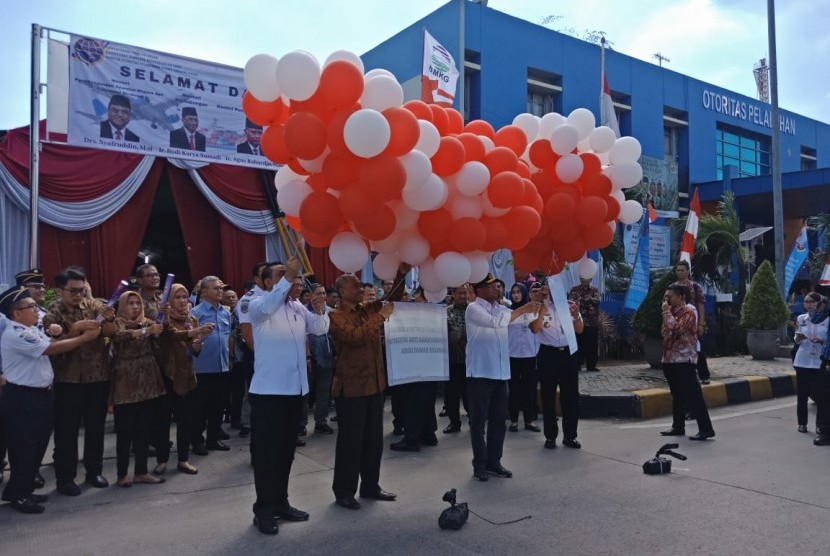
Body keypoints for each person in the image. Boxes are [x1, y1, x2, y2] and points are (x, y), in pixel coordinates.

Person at [247, 258, 329, 535]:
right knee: (267, 455)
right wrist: (286, 279)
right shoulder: (255, 303)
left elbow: (319, 330)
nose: (292, 278)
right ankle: (264, 509)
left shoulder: (295, 307)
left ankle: (281, 502)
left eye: (292, 275)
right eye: (282, 275)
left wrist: (320, 312)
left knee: (285, 453)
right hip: (269, 393)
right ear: (267, 281)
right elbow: (268, 306)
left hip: (295, 391)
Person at [0, 287, 100, 514]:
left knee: (36, 446)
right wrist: (84, 337)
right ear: (16, 313)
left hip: (40, 395)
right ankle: (20, 495)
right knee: (24, 447)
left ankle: (19, 488)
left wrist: (60, 333)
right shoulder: (17, 334)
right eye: (32, 307)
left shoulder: (30, 329)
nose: (37, 310)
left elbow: (53, 341)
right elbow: (51, 349)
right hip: (23, 397)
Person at [328, 264, 408, 510]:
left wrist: (401, 274)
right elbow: (355, 337)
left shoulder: (364, 309)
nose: (360, 286)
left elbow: (392, 297)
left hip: (374, 385)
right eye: (354, 284)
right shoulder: (335, 316)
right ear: (342, 292)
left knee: (374, 441)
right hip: (351, 389)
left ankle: (370, 485)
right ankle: (344, 490)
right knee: (351, 442)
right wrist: (380, 317)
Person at [42, 267, 116, 496]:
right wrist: (75, 331)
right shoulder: (52, 312)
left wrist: (110, 320)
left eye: (82, 290)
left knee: (95, 428)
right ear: (59, 290)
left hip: (97, 376)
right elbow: (50, 347)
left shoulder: (95, 306)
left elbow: (109, 335)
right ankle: (65, 478)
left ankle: (94, 471)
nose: (78, 295)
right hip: (68, 379)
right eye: (73, 291)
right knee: (67, 432)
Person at [466, 274, 539, 481]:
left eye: (498, 286)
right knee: (479, 421)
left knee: (499, 420)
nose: (497, 289)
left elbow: (523, 318)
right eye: (491, 287)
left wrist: (536, 305)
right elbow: (496, 323)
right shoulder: (474, 309)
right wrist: (523, 309)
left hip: (500, 373)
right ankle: (479, 464)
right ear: (479, 290)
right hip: (480, 373)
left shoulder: (501, 308)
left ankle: (494, 461)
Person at [110, 291, 167, 488]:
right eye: (130, 303)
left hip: (148, 378)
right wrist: (145, 332)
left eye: (138, 303)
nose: (135, 307)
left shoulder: (148, 322)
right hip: (126, 379)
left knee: (144, 428)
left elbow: (161, 338)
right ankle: (122, 473)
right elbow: (118, 337)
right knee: (125, 430)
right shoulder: (116, 323)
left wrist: (160, 326)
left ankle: (141, 471)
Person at [154, 284, 212, 476]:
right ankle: (162, 460)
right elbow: (172, 335)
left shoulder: (192, 319)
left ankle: (183, 460)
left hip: (186, 374)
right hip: (166, 374)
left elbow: (194, 350)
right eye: (177, 297)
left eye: (185, 297)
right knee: (162, 421)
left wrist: (197, 345)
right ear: (169, 300)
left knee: (185, 420)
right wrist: (196, 332)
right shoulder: (163, 318)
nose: (181, 301)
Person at [531, 281, 583, 449]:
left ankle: (570, 436)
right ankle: (550, 436)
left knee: (570, 396)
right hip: (548, 354)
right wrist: (540, 310)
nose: (552, 292)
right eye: (549, 288)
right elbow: (534, 329)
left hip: (568, 353)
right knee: (548, 395)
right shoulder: (538, 307)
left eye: (556, 288)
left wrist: (576, 316)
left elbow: (580, 329)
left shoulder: (571, 306)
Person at [659, 284, 715, 441]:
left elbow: (677, 328)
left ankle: (706, 428)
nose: (667, 300)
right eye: (665, 297)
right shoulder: (671, 312)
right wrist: (667, 314)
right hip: (669, 358)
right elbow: (664, 331)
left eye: (670, 297)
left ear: (680, 297)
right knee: (677, 394)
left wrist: (666, 312)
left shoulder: (689, 312)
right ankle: (678, 426)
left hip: (684, 359)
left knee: (693, 394)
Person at [189, 276, 232, 454]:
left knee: (218, 406)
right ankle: (197, 442)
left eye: (221, 288)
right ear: (204, 292)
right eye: (216, 288)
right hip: (202, 369)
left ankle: (213, 439)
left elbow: (228, 338)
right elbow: (189, 340)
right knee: (199, 408)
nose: (220, 291)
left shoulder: (226, 312)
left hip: (222, 367)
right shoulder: (195, 313)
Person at [235, 262, 270, 438]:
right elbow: (248, 334)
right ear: (257, 278)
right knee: (254, 392)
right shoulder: (248, 300)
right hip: (257, 354)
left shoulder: (277, 296)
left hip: (274, 354)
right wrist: (262, 356)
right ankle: (248, 424)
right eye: (265, 274)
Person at [508, 283, 541, 434]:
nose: (516, 295)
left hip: (529, 355)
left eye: (518, 292)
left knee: (529, 389)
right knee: (514, 389)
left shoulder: (532, 311)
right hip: (512, 355)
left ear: (523, 293)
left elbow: (537, 333)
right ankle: (513, 420)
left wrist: (536, 352)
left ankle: (529, 420)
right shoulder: (508, 312)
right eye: (513, 292)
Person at [793, 292, 827, 434]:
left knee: (821, 396)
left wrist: (821, 341)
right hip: (803, 360)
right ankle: (802, 423)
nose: (808, 304)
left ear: (819, 303)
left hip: (819, 361)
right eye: (806, 302)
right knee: (802, 395)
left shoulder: (827, 319)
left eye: (811, 302)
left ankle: (820, 425)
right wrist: (799, 338)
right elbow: (796, 338)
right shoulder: (802, 318)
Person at [673, 260, 710, 384]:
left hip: (692, 323)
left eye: (682, 270)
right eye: (678, 270)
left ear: (688, 271)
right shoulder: (673, 287)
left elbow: (701, 306)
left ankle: (704, 375)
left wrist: (701, 324)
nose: (680, 272)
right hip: (677, 323)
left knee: (697, 349)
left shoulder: (695, 287)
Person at [307, 283, 335, 435]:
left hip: (327, 357)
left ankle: (321, 422)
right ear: (311, 295)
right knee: (305, 394)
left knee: (324, 392)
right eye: (318, 293)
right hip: (310, 358)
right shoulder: (303, 311)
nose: (322, 296)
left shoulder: (331, 312)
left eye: (324, 293)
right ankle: (300, 424)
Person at [443, 285, 469, 434]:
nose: (463, 296)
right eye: (460, 293)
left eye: (465, 293)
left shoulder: (473, 310)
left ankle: (474, 420)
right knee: (452, 394)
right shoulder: (447, 312)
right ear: (453, 294)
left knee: (470, 394)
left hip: (470, 361)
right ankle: (454, 422)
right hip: (452, 360)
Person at [569, 275, 601, 372]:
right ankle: (577, 364)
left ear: (590, 279)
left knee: (592, 344)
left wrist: (581, 302)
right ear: (580, 278)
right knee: (578, 343)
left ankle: (591, 366)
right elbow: (572, 303)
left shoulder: (595, 290)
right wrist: (587, 302)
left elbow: (597, 301)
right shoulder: (574, 290)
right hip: (578, 321)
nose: (585, 279)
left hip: (592, 322)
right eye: (582, 277)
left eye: (587, 278)